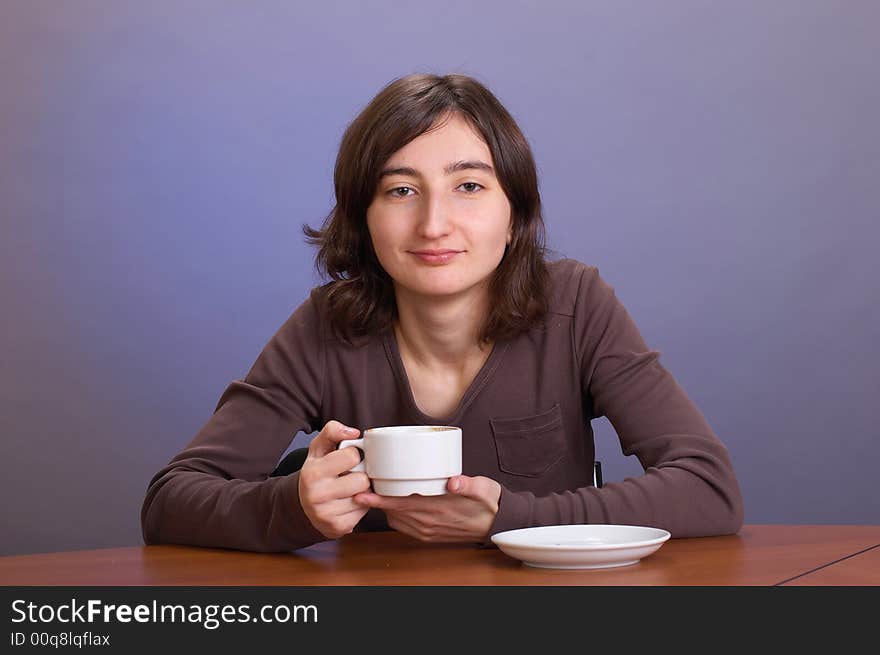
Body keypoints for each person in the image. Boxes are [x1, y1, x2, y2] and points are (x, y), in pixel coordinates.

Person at [140, 73, 744, 552]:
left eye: (469, 187)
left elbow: (709, 489)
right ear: (363, 216)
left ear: (516, 214)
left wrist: (507, 519)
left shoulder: (577, 304)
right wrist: (293, 508)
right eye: (400, 190)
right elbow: (170, 500)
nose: (433, 225)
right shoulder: (327, 327)